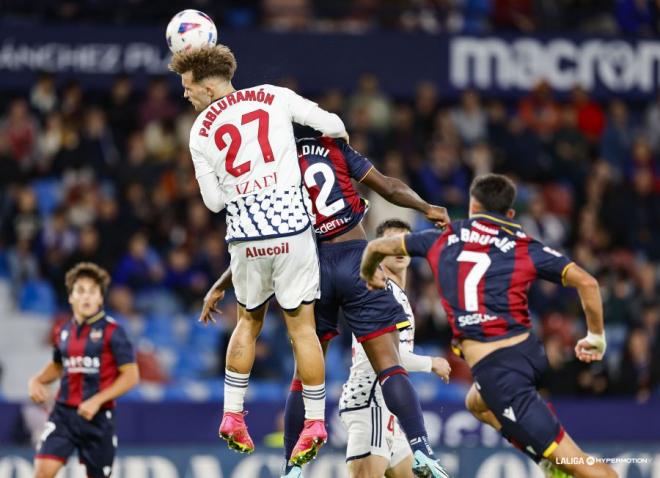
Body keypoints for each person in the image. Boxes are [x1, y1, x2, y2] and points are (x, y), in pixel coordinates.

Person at [200, 136, 452, 478]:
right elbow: (390, 188)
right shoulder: (333, 147)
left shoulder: (273, 163)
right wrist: (428, 209)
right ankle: (422, 450)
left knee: (303, 376)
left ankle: (292, 468)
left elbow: (264, 235)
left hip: (309, 267)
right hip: (354, 257)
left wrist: (221, 283)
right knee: (389, 364)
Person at [360, 174, 618, 478]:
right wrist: (596, 338)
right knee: (477, 403)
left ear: (472, 206)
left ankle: (555, 462)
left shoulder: (441, 237)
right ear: (509, 214)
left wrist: (369, 274)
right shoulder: (522, 244)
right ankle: (548, 462)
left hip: (501, 374)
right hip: (522, 352)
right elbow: (588, 282)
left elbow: (376, 246)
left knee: (588, 469)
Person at [169, 45, 348, 464]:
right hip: (292, 230)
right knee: (302, 329)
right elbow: (335, 125)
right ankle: (317, 422)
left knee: (248, 323)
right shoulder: (274, 95)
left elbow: (213, 203)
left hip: (246, 238)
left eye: (188, 87)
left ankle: (232, 415)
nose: (185, 95)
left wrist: (240, 185)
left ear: (209, 86)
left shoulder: (199, 131)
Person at [340, 219, 451, 478]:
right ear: (378, 250)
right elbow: (386, 356)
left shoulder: (399, 293)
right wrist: (430, 363)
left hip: (386, 408)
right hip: (371, 402)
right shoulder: (380, 290)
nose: (399, 249)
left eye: (404, 242)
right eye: (391, 242)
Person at [29, 262, 139, 478]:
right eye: (81, 291)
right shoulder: (63, 330)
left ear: (100, 298)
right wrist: (37, 380)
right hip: (63, 415)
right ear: (71, 297)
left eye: (93, 291)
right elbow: (58, 365)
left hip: (98, 418)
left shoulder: (113, 331)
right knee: (42, 473)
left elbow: (131, 376)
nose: (87, 297)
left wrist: (97, 400)